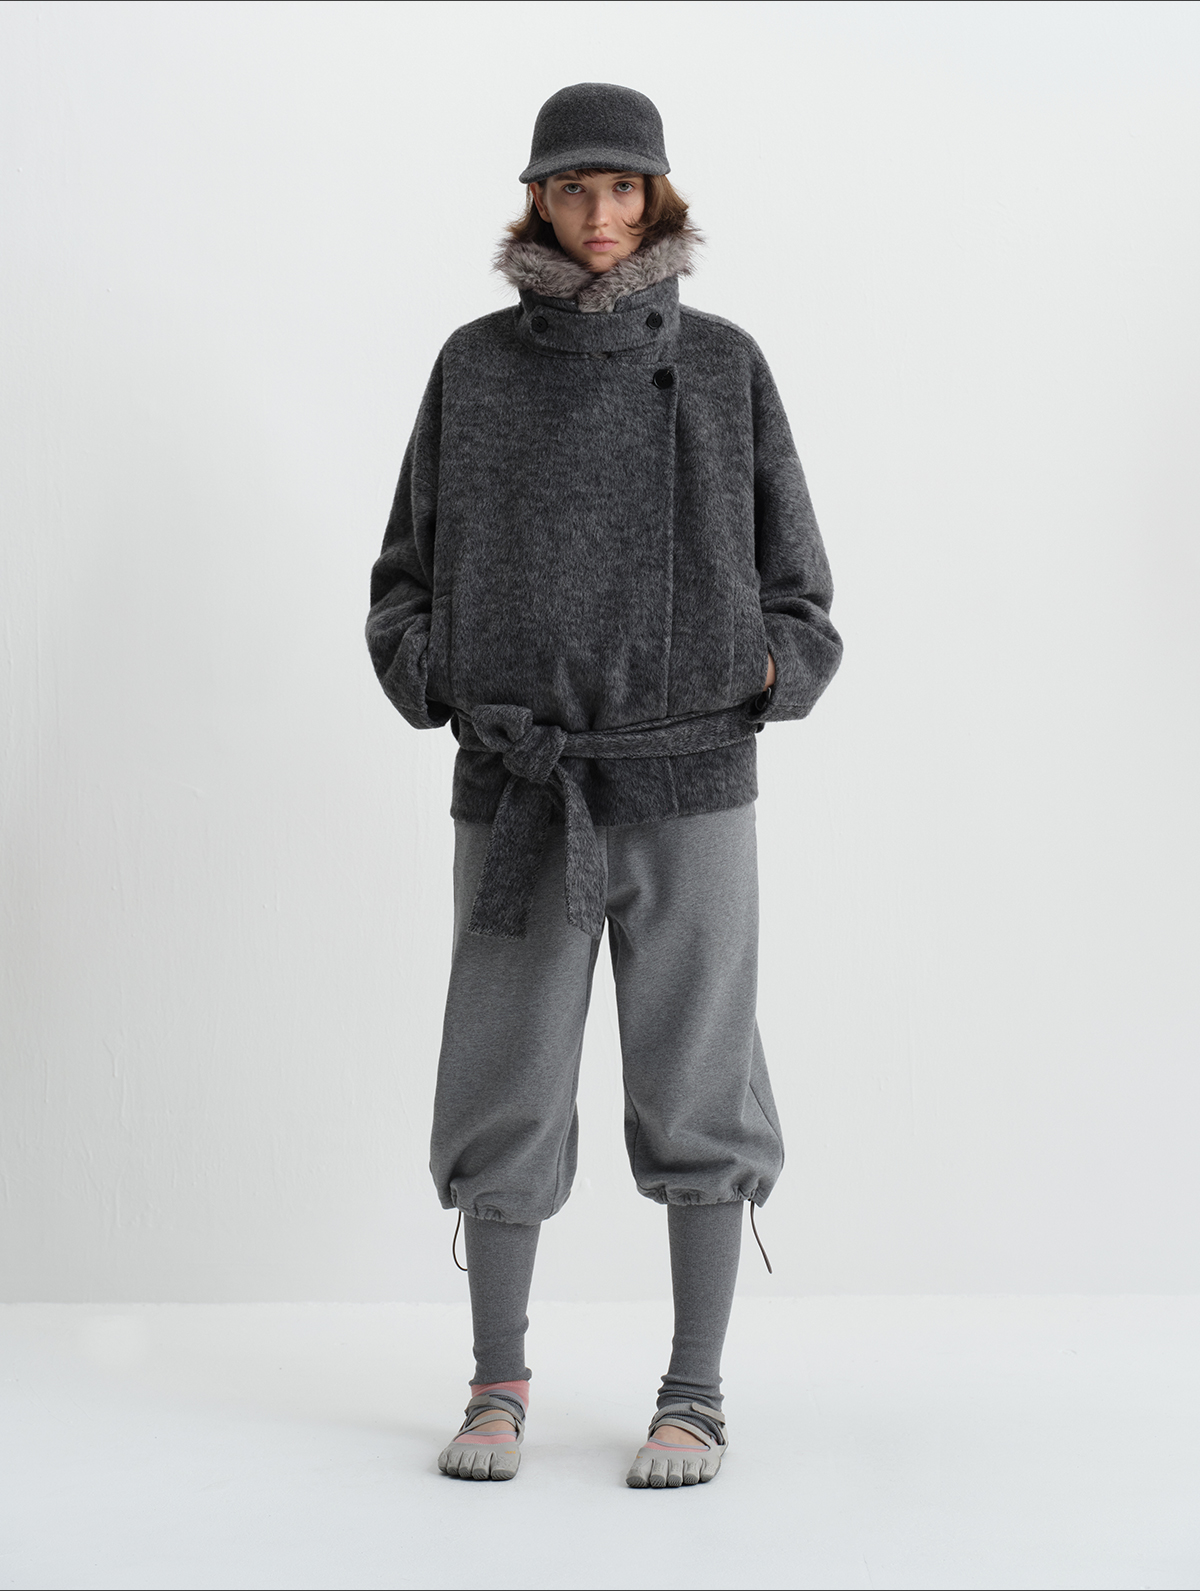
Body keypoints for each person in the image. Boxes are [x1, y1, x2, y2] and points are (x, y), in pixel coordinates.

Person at [366, 82, 842, 1490]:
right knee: (502, 1078)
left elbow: (802, 587)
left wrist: (765, 668)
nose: (599, 213)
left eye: (622, 186)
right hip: (522, 784)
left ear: (658, 197)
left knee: (700, 1077)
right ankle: (496, 1384)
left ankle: (695, 1394)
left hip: (691, 779)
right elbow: (401, 574)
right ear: (538, 199)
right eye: (572, 187)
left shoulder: (722, 365)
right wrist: (436, 671)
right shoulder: (473, 367)